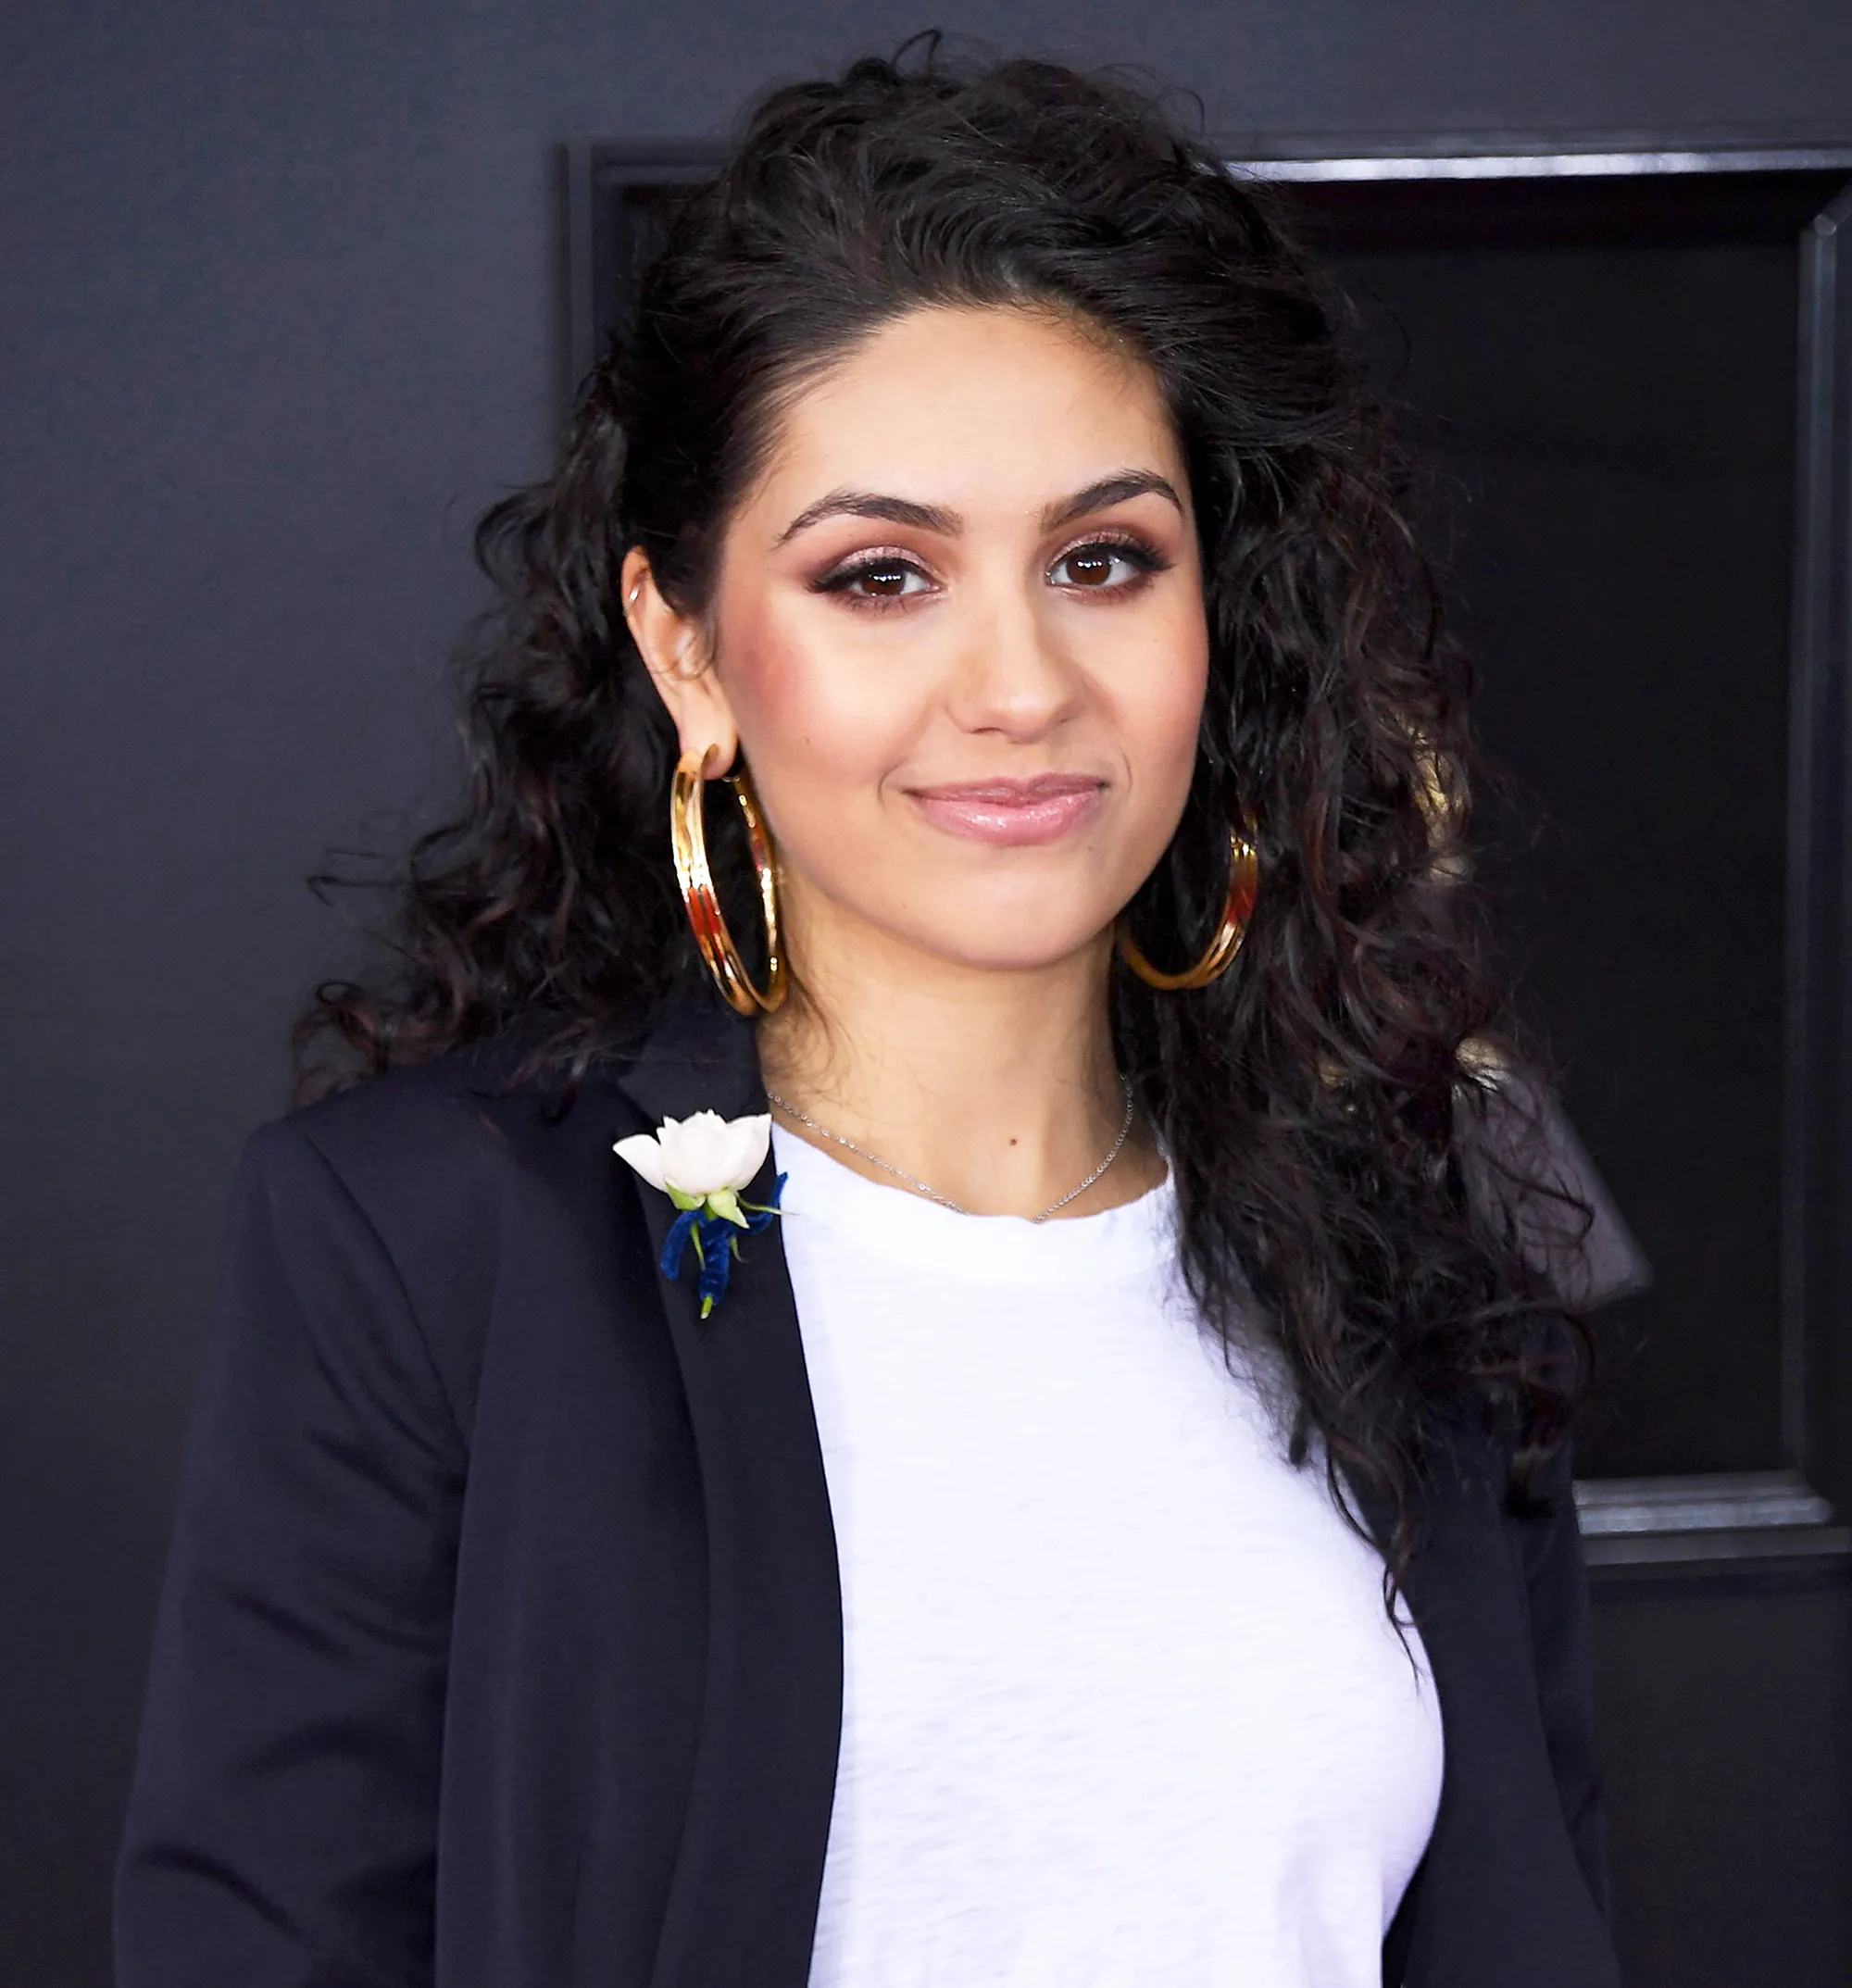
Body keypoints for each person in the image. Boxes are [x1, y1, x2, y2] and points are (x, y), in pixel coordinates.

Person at [116, 44, 1638, 1988]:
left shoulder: (1413, 1254)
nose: (1016, 682)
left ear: (1211, 614)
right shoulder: (422, 1243)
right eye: (879, 574)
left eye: (1103, 559)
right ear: (689, 647)